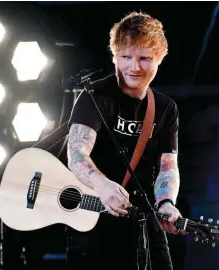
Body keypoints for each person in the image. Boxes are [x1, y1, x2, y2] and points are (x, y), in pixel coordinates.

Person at [66, 11, 184, 270]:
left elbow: (168, 166)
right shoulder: (94, 96)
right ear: (114, 56)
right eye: (126, 57)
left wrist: (166, 202)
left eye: (144, 58)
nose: (135, 67)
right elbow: (76, 155)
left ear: (159, 59)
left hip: (143, 218)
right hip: (92, 217)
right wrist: (102, 185)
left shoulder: (165, 109)